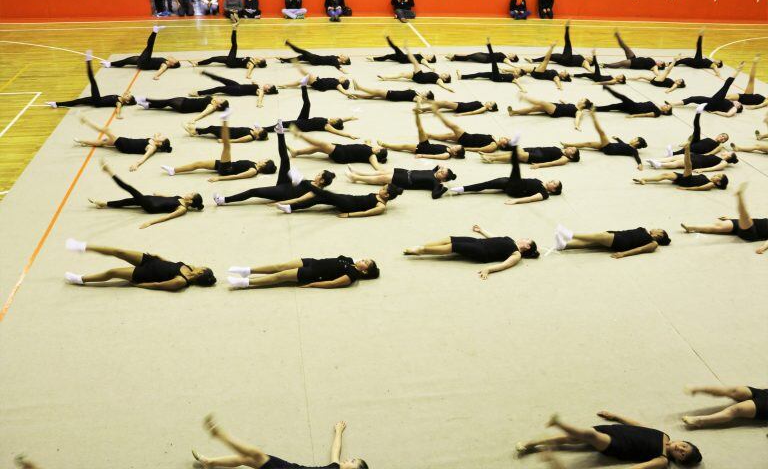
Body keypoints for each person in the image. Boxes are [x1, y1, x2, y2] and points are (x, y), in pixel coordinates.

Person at [213, 121, 336, 206]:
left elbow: (298, 200)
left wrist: (279, 203)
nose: (317, 175)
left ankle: (224, 200)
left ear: (322, 181)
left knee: (253, 192)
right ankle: (280, 132)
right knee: (285, 159)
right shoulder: (314, 183)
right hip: (286, 183)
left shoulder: (315, 191)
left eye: (319, 175)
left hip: (282, 193)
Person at [517, 413, 702, 466]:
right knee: (572, 439)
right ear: (682, 440)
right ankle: (531, 443)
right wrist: (616, 416)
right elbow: (638, 426)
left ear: (679, 460)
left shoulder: (662, 460)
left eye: (683, 454)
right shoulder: (665, 436)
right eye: (684, 446)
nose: (681, 449)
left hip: (618, 445)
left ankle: (558, 422)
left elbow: (638, 468)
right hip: (618, 431)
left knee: (589, 435)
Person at [88, 158, 203, 229]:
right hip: (152, 199)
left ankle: (109, 172)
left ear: (191, 201)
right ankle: (104, 204)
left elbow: (167, 217)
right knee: (129, 201)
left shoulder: (182, 209)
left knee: (130, 188)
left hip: (151, 206)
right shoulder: (181, 197)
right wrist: (158, 194)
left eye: (191, 194)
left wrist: (150, 222)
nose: (189, 192)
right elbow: (168, 197)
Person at [162, 111, 276, 182]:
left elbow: (237, 177)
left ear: (265, 165)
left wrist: (219, 179)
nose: (262, 159)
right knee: (199, 164)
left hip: (227, 169)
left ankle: (225, 120)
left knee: (227, 146)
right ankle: (173, 170)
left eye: (265, 160)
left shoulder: (253, 170)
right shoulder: (254, 165)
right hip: (226, 165)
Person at [63, 239, 215, 289]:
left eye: (202, 268)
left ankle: (80, 279)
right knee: (119, 251)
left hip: (145, 274)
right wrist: (160, 257)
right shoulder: (189, 267)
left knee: (112, 272)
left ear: (201, 273)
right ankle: (83, 247)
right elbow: (171, 265)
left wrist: (139, 285)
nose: (200, 265)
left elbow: (158, 285)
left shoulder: (182, 281)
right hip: (152, 261)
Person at [404, 224, 539, 279]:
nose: (524, 238)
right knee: (450, 238)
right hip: (479, 242)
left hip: (482, 252)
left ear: (527, 247)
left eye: (527, 239)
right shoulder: (511, 239)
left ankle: (421, 251)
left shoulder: (517, 255)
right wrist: (482, 230)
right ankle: (422, 245)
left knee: (453, 246)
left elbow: (504, 265)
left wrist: (488, 270)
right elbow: (494, 238)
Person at [450, 143, 562, 205]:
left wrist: (515, 201)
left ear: (553, 190)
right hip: (511, 183)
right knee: (486, 185)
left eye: (554, 183)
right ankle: (462, 189)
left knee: (515, 167)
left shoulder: (544, 194)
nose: (551, 181)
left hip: (515, 189)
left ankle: (510, 154)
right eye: (553, 180)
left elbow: (531, 199)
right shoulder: (540, 181)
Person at [681, 182, 768, 254]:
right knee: (719, 227)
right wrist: (732, 218)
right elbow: (758, 221)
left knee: (744, 215)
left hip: (752, 232)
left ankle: (740, 196)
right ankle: (691, 228)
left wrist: (763, 248)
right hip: (744, 223)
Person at [46, 50, 136, 117]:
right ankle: (56, 104)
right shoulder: (120, 97)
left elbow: (118, 110)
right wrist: (129, 94)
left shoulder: (119, 103)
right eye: (128, 95)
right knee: (77, 101)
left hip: (97, 101)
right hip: (96, 100)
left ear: (127, 101)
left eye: (128, 96)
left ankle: (88, 62)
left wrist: (118, 116)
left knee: (93, 81)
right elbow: (126, 93)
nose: (126, 94)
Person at [74, 115, 171, 171]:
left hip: (125, 145)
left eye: (162, 138)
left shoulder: (152, 147)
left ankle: (86, 122)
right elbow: (157, 133)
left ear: (160, 144)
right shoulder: (154, 140)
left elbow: (144, 157)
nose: (160, 136)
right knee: (103, 142)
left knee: (106, 130)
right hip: (126, 141)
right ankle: (82, 142)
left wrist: (136, 165)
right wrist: (158, 138)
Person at [562, 108, 646, 169]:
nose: (632, 139)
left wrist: (640, 164)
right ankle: (568, 145)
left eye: (635, 139)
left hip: (609, 148)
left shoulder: (633, 150)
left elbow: (637, 157)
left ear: (637, 143)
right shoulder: (628, 145)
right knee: (588, 144)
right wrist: (617, 139)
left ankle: (594, 117)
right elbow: (622, 144)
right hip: (607, 147)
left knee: (601, 132)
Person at [227, 252, 378, 286]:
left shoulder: (352, 275)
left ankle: (246, 282)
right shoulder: (351, 261)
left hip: (313, 273)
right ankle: (247, 270)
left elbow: (332, 283)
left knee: (282, 275)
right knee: (280, 266)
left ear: (364, 271)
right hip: (311, 262)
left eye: (366, 262)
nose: (363, 259)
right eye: (365, 258)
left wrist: (312, 284)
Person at [266, 84, 357, 138]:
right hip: (305, 120)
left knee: (283, 124)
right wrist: (350, 118)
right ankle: (303, 86)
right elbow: (342, 119)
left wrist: (349, 135)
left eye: (335, 119)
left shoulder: (327, 126)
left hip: (303, 126)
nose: (334, 117)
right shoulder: (330, 121)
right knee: (307, 104)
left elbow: (337, 132)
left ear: (334, 123)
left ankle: (264, 129)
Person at [276, 180, 402, 218]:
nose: (381, 188)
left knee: (324, 193)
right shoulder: (380, 195)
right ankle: (290, 208)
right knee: (318, 199)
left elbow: (365, 213)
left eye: (384, 188)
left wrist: (348, 215)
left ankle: (302, 182)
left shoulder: (381, 206)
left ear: (386, 195)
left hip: (348, 205)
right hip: (348, 198)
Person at [634, 143, 728, 191]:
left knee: (688, 165)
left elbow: (699, 188)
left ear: (718, 183)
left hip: (688, 181)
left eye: (718, 176)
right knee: (665, 175)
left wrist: (686, 189)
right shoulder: (708, 179)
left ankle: (687, 150)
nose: (715, 175)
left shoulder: (711, 184)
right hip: (685, 178)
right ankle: (644, 179)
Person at [378, 109, 465, 160]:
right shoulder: (449, 148)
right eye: (456, 146)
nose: (454, 146)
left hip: (422, 149)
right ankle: (417, 114)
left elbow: (435, 157)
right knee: (421, 129)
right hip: (426, 144)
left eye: (456, 147)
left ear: (455, 153)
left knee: (404, 146)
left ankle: (386, 145)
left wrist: (422, 155)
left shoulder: (447, 155)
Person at [288, 128, 388, 169]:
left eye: (379, 147)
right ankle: (296, 152)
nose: (378, 146)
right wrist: (370, 142)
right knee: (318, 147)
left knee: (322, 144)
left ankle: (300, 135)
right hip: (342, 148)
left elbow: (377, 168)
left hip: (342, 155)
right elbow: (367, 140)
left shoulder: (372, 156)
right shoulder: (370, 148)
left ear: (378, 151)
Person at [103, 26, 180, 80]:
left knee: (149, 47)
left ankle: (155, 31)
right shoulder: (166, 60)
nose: (174, 58)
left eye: (174, 60)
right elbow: (170, 56)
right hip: (143, 61)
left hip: (144, 63)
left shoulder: (164, 65)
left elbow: (160, 71)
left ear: (172, 64)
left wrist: (156, 76)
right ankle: (109, 64)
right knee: (126, 61)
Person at [667, 63, 744, 117]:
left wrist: (716, 112)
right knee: (692, 98)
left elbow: (728, 114)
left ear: (738, 107)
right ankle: (673, 104)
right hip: (711, 101)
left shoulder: (734, 108)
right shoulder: (730, 102)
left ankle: (737, 71)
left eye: (739, 103)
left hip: (715, 103)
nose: (738, 102)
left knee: (726, 86)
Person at [425, 106, 509, 153]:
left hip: (467, 140)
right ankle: (430, 136)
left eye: (507, 140)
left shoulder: (493, 146)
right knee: (449, 136)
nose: (506, 138)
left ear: (503, 145)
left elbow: (479, 150)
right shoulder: (493, 138)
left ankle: (438, 114)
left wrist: (466, 148)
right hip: (469, 137)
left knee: (454, 126)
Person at [188, 27, 267, 77]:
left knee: (234, 46)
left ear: (259, 61)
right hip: (231, 60)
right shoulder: (252, 59)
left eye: (260, 58)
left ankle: (234, 30)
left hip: (232, 62)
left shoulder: (251, 65)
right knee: (213, 59)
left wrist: (248, 75)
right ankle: (197, 63)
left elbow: (249, 71)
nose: (259, 56)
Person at [554, 224, 671, 258]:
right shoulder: (645, 230)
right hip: (619, 234)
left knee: (594, 237)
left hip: (622, 242)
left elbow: (640, 249)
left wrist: (623, 254)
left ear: (660, 234)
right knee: (592, 243)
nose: (655, 228)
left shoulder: (653, 243)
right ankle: (564, 246)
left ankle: (570, 235)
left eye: (658, 229)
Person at [346, 164, 456, 199]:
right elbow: (432, 170)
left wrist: (444, 188)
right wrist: (439, 167)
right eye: (441, 170)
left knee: (380, 179)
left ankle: (355, 178)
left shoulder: (436, 183)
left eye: (442, 173)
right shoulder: (434, 173)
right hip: (405, 172)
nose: (440, 171)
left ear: (443, 179)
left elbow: (434, 195)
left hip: (405, 180)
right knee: (381, 172)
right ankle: (358, 172)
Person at [681, 384, 768, 427]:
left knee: (736, 409)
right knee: (734, 391)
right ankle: (698, 389)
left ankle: (700, 421)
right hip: (764, 393)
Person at [456, 39, 526, 91]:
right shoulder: (512, 75)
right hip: (494, 75)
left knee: (493, 60)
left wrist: (523, 89)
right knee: (479, 74)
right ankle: (462, 77)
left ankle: (489, 46)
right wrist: (504, 71)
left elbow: (519, 84)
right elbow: (506, 74)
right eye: (516, 70)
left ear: (519, 76)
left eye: (516, 72)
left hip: (497, 77)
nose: (514, 71)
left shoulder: (514, 79)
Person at [377, 45, 453, 92]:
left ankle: (407, 49)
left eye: (445, 75)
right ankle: (385, 77)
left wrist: (448, 88)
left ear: (445, 79)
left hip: (421, 77)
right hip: (419, 76)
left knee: (415, 62)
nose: (444, 73)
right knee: (402, 75)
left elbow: (443, 85)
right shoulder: (437, 75)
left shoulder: (439, 80)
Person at [480, 135, 580, 168]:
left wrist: (539, 165)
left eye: (572, 150)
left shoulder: (565, 159)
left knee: (518, 154)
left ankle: (492, 158)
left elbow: (553, 163)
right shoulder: (562, 150)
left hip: (540, 156)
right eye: (572, 147)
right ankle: (489, 155)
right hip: (536, 149)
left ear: (571, 157)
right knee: (515, 153)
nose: (570, 148)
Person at [191, 71, 277, 107]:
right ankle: (205, 73)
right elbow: (253, 85)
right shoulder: (259, 88)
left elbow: (260, 97)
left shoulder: (261, 91)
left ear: (268, 90)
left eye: (268, 85)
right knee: (221, 79)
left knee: (219, 88)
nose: (267, 84)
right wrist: (254, 83)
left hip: (238, 91)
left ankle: (199, 93)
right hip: (237, 85)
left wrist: (259, 103)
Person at [507, 93, 593, 130]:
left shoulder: (579, 111)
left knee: (542, 102)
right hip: (555, 106)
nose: (579, 99)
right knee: (533, 109)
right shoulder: (575, 105)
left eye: (582, 100)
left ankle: (524, 98)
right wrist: (563, 101)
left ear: (584, 105)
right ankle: (513, 112)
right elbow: (567, 105)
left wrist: (577, 126)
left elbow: (577, 118)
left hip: (556, 110)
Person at [135, 95, 228, 125]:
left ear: (219, 105)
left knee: (167, 102)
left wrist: (194, 120)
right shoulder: (214, 98)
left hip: (184, 106)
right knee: (166, 102)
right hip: (186, 100)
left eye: (222, 100)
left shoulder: (211, 107)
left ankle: (146, 99)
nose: (221, 98)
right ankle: (148, 105)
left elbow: (203, 114)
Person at [279, 63, 355, 97]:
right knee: (301, 81)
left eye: (343, 78)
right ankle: (285, 85)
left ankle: (299, 67)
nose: (342, 76)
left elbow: (344, 91)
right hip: (319, 82)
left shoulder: (338, 84)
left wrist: (349, 94)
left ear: (343, 82)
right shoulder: (336, 81)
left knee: (308, 75)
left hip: (320, 84)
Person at [596, 85, 673, 118]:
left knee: (622, 97)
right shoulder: (657, 107)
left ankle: (607, 88)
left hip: (634, 108)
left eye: (667, 107)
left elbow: (646, 115)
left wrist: (634, 116)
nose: (665, 105)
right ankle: (593, 108)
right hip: (633, 106)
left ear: (666, 112)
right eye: (667, 105)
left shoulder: (658, 113)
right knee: (612, 106)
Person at [646, 148, 738, 172]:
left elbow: (715, 168)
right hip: (697, 157)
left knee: (677, 163)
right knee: (675, 157)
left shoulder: (724, 162)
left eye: (728, 153)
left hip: (698, 162)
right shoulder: (720, 157)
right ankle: (656, 160)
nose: (726, 152)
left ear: (729, 157)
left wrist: (702, 170)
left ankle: (659, 165)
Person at [369, 36, 436, 68]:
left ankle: (387, 38)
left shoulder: (423, 60)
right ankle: (374, 59)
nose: (429, 55)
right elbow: (418, 54)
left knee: (395, 48)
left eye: (431, 56)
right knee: (388, 56)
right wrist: (420, 53)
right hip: (403, 57)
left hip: (403, 58)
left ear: (430, 59)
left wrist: (431, 67)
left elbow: (427, 64)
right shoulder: (422, 56)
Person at [279, 40, 351, 70]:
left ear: (343, 61)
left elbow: (339, 67)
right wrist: (343, 57)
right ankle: (283, 60)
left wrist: (344, 70)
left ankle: (288, 44)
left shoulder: (336, 62)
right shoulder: (337, 57)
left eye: (344, 57)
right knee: (300, 58)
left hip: (315, 60)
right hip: (315, 57)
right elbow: (341, 54)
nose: (343, 56)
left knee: (302, 51)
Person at [350, 80, 434, 103]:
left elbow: (419, 103)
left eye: (425, 93)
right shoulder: (418, 94)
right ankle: (356, 96)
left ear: (425, 97)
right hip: (396, 94)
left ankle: (359, 88)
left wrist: (420, 105)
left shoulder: (419, 98)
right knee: (374, 96)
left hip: (395, 95)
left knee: (377, 91)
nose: (424, 91)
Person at [414, 99, 498, 116]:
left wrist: (461, 114)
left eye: (490, 103)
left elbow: (473, 112)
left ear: (490, 108)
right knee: (441, 105)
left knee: (444, 102)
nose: (489, 101)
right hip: (461, 103)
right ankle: (423, 110)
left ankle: (425, 101)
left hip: (462, 107)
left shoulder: (483, 108)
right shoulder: (482, 104)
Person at [446, 48, 518, 65]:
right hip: (485, 55)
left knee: (469, 56)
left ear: (512, 58)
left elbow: (509, 63)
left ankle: (454, 57)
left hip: (485, 58)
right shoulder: (504, 56)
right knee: (470, 56)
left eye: (513, 55)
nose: (511, 53)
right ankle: (454, 57)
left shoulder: (505, 58)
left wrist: (517, 68)